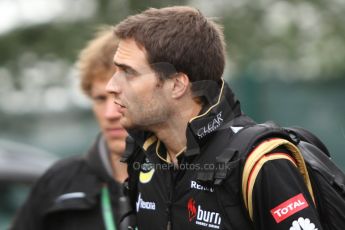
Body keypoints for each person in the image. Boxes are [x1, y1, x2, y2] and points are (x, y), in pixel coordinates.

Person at [106, 6, 323, 230]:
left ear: (177, 85)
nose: (111, 86)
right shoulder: (144, 156)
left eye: (128, 72)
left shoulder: (260, 163)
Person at [10, 28, 131, 230]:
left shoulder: (182, 181)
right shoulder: (57, 182)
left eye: (120, 95)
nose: (110, 113)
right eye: (100, 98)